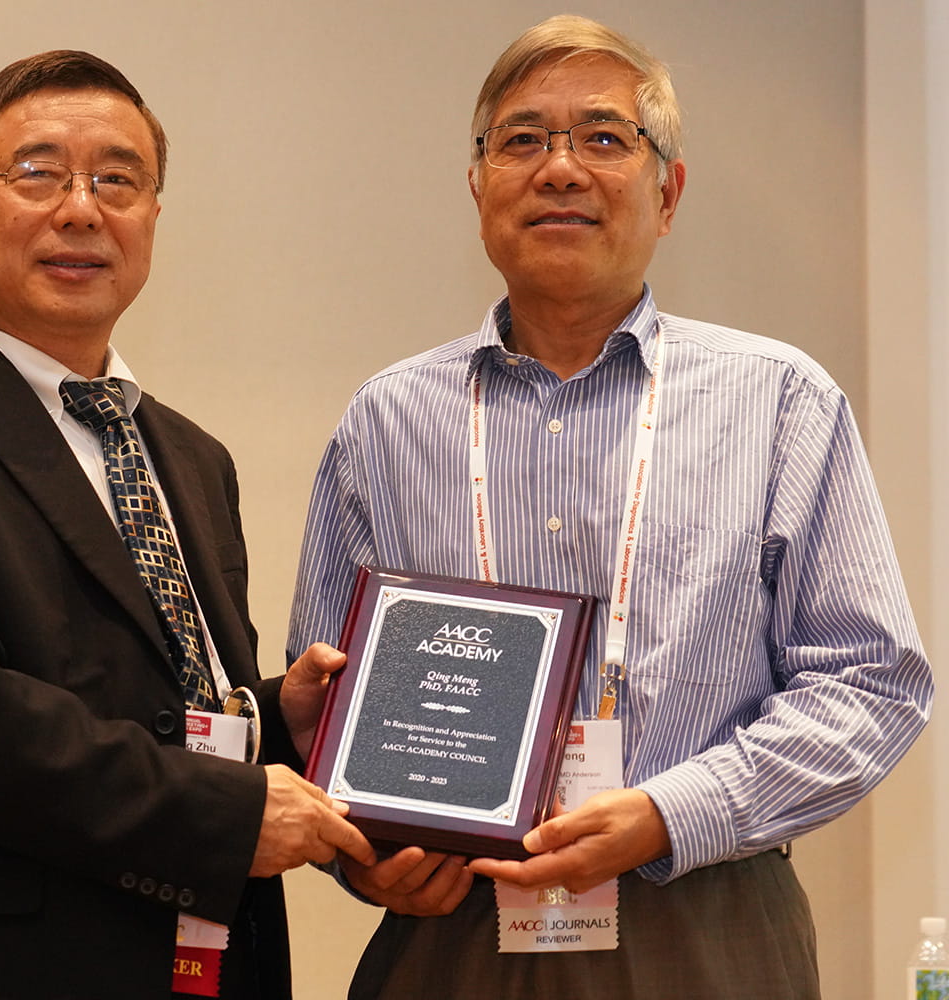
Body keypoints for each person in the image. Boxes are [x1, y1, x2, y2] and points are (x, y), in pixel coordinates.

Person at [287, 14, 932, 999]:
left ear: (666, 190)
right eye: (522, 140)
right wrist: (358, 853)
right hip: (454, 926)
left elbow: (871, 684)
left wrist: (673, 810)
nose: (559, 169)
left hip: (705, 920)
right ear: (479, 187)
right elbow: (327, 705)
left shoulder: (779, 400)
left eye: (602, 137)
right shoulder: (387, 420)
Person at [0, 50, 373, 1000]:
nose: (81, 209)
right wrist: (223, 817)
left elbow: (161, 704)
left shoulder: (191, 455)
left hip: (216, 966)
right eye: (38, 173)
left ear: (151, 219)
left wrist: (278, 720)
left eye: (118, 179)